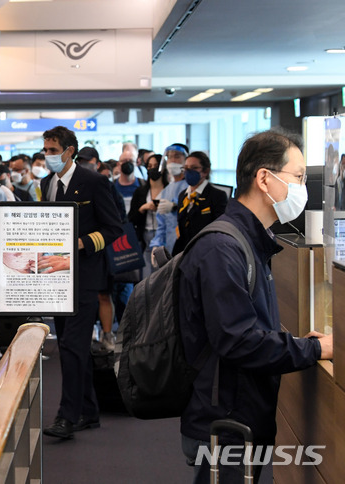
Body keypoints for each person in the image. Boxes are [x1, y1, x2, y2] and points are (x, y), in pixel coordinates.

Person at [179, 129, 333, 483]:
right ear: (265, 178)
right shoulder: (224, 247)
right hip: (226, 419)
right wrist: (314, 348)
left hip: (238, 412)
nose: (301, 187)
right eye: (297, 177)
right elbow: (238, 340)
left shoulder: (248, 241)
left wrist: (296, 342)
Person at [39, 126, 122, 440]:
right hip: (56, 277)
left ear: (69, 150)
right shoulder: (48, 183)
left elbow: (114, 229)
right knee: (69, 347)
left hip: (85, 277)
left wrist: (80, 244)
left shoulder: (94, 182)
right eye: (45, 150)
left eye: (52, 150)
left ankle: (68, 416)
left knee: (73, 348)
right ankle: (88, 411)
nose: (47, 156)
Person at [171, 151, 228, 255]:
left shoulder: (217, 195)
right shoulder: (183, 196)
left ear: (205, 171)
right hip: (184, 253)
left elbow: (220, 229)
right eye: (186, 168)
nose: (188, 171)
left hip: (207, 253)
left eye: (194, 168)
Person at [129, 154, 168, 278]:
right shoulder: (140, 191)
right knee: (146, 277)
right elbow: (131, 218)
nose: (152, 169)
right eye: (149, 166)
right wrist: (143, 208)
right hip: (145, 236)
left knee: (163, 275)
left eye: (156, 166)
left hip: (165, 236)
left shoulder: (170, 190)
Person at [150, 143, 190, 257]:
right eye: (169, 157)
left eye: (177, 156)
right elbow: (162, 224)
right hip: (170, 248)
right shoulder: (167, 191)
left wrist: (175, 206)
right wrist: (157, 245)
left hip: (187, 248)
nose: (172, 160)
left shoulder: (191, 186)